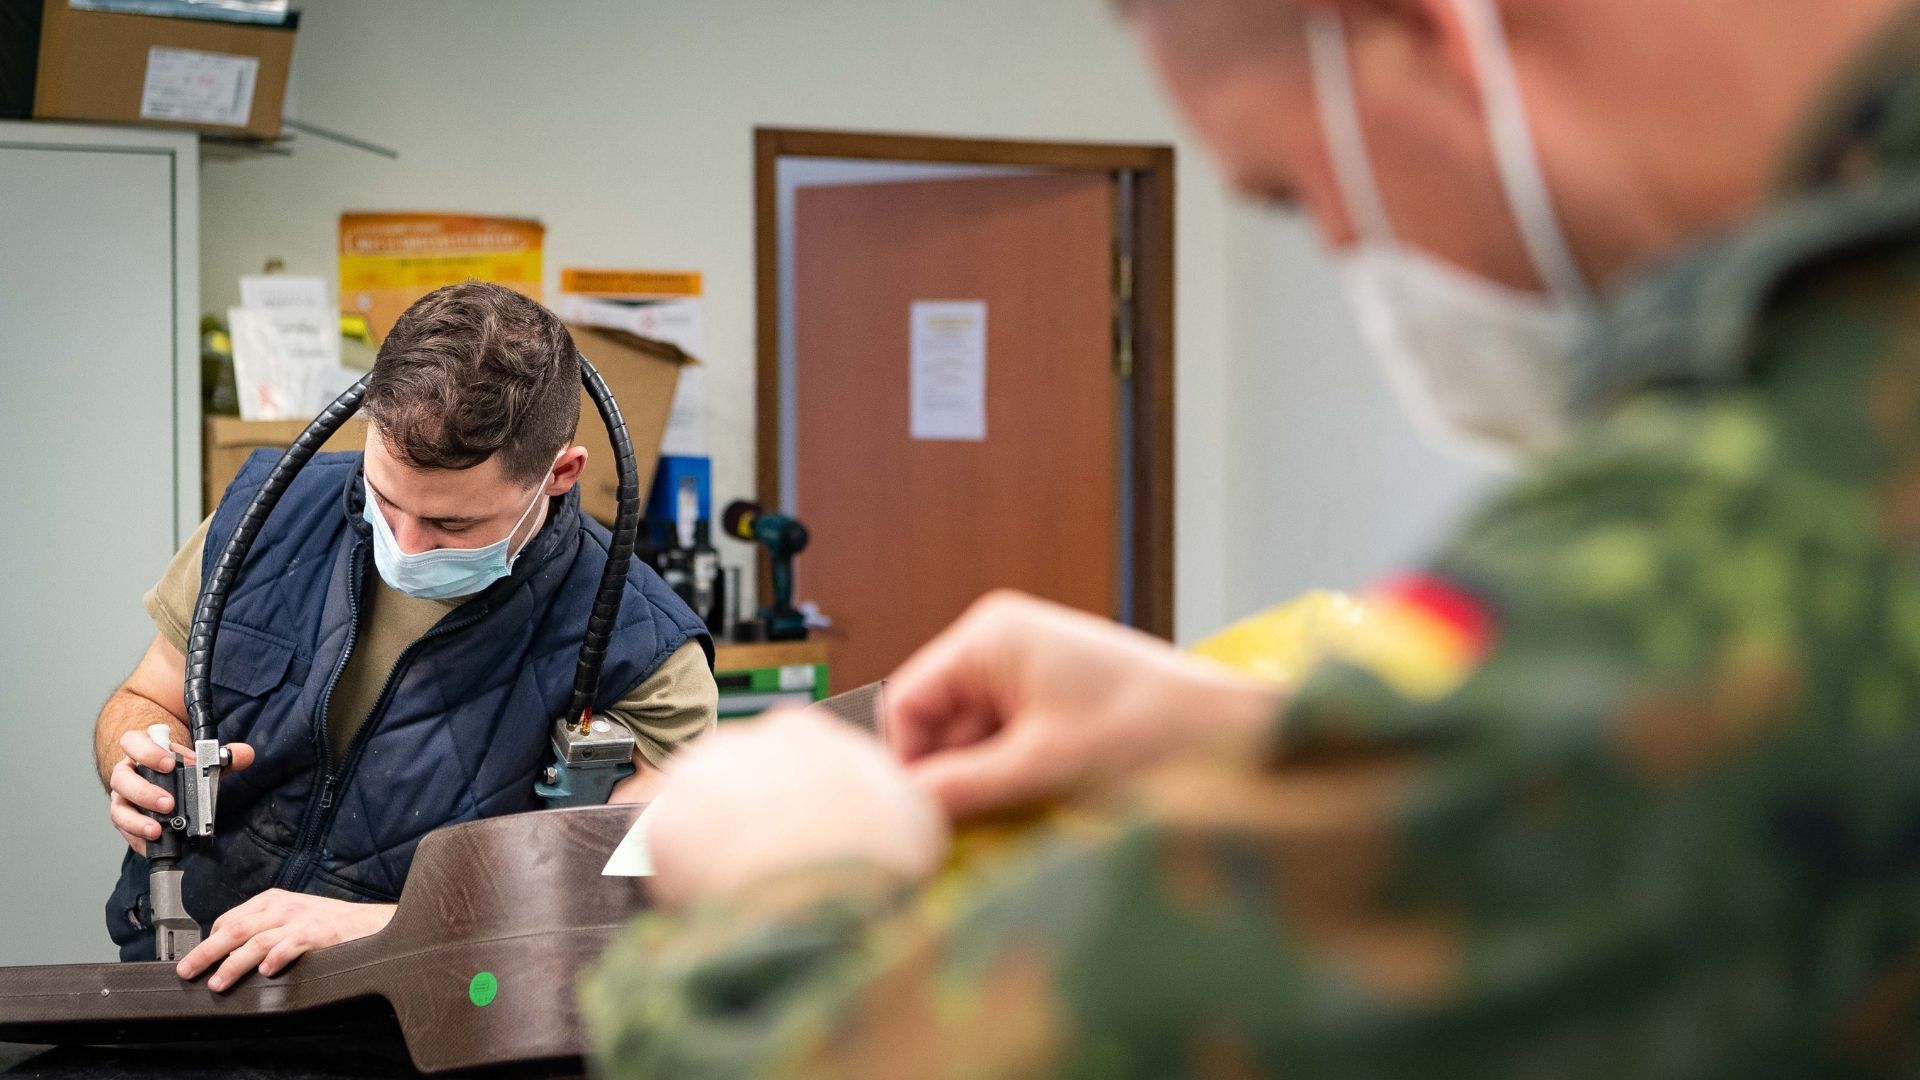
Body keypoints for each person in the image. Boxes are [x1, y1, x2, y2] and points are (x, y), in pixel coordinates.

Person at [585, 0, 1920, 1074]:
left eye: (1289, 192)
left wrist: (783, 880)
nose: (1343, 240)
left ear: (1424, 37)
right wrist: (1238, 732)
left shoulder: (1761, 517)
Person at [95, 281, 717, 987]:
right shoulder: (265, 517)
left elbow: (630, 903)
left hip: (421, 1026)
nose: (408, 546)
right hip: (180, 985)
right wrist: (133, 752)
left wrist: (385, 928)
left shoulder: (644, 651)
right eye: (386, 501)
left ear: (561, 475)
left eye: (453, 526)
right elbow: (148, 696)